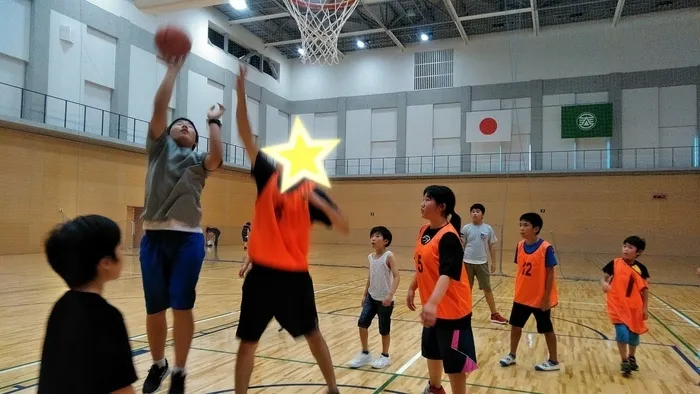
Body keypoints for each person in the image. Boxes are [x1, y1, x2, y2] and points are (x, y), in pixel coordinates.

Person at [233, 65, 350, 394]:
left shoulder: (311, 194)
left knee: (313, 334)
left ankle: (332, 388)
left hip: (295, 278)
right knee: (247, 343)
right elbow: (245, 133)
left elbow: (344, 226)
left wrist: (323, 204)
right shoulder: (268, 175)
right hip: (260, 276)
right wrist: (241, 91)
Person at [139, 54, 225, 394]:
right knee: (155, 307)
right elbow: (160, 107)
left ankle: (179, 370)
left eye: (190, 126)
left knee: (182, 305)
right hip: (154, 237)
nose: (184, 126)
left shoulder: (199, 162)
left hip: (188, 239)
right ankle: (158, 363)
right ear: (167, 132)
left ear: (196, 139)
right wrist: (173, 70)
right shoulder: (157, 150)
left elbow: (217, 157)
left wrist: (213, 121)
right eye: (179, 124)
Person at [38, 215, 138, 393]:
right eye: (118, 246)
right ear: (105, 262)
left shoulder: (60, 307)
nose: (122, 250)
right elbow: (121, 389)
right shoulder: (107, 317)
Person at [407, 185, 477, 394]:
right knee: (432, 352)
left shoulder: (449, 237)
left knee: (454, 364)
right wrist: (412, 287)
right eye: (423, 198)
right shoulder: (424, 231)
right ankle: (435, 389)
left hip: (452, 311)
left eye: (427, 199)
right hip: (433, 308)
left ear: (441, 206)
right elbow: (423, 266)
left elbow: (446, 274)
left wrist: (432, 303)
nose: (422, 203)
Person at [499, 212, 560, 372]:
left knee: (547, 329)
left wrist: (546, 298)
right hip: (521, 296)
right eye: (520, 224)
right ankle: (512, 355)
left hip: (540, 299)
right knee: (515, 326)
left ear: (536, 228)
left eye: (526, 225)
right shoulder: (520, 246)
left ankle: (554, 360)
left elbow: (550, 274)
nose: (521, 228)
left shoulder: (546, 248)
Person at [347, 226, 400, 369]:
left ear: (386, 241)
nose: (373, 238)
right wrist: (365, 294)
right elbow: (370, 276)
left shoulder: (389, 256)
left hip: (385, 300)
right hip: (371, 296)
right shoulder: (370, 257)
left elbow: (396, 276)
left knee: (384, 329)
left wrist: (390, 295)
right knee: (362, 323)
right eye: (372, 236)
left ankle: (385, 356)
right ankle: (365, 354)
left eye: (377, 236)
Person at [601, 236, 650, 377]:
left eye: (630, 247)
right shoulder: (615, 263)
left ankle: (631, 356)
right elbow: (604, 276)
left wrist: (645, 308)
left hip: (635, 307)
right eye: (624, 246)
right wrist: (603, 283)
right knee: (622, 334)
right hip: (617, 305)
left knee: (634, 336)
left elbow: (644, 290)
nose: (626, 249)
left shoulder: (641, 269)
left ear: (638, 252)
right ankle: (624, 361)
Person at [460, 203, 508, 325]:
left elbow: (491, 246)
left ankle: (494, 314)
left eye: (477, 211)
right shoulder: (466, 228)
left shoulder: (488, 229)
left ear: (482, 215)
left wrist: (494, 262)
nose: (475, 213)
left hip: (482, 263)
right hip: (467, 262)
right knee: (466, 290)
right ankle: (464, 313)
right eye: (473, 211)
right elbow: (461, 245)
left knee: (487, 289)